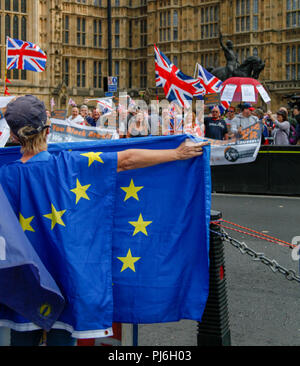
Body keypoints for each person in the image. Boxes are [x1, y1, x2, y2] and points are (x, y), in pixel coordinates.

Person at [0, 95, 208, 346]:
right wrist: (177, 154)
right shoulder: (70, 165)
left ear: (13, 136)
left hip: (23, 283)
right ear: (48, 128)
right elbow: (127, 159)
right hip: (66, 280)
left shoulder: (5, 176)